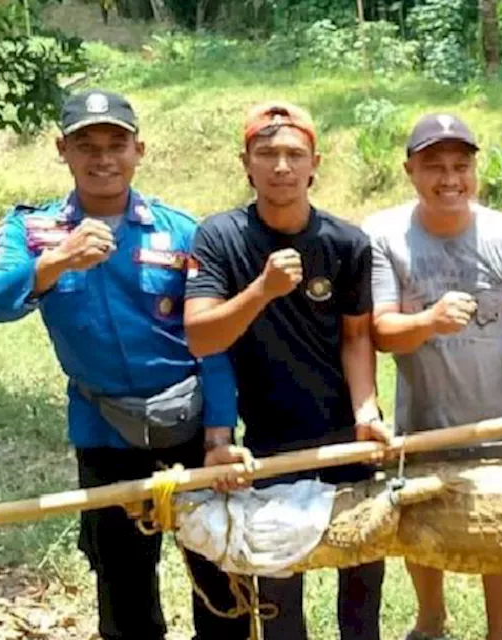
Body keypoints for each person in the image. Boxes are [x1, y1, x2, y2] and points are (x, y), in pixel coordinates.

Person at [0, 90, 248, 640]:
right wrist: (52, 264)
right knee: (123, 584)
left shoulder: (182, 232)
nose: (102, 158)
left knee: (221, 575)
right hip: (105, 431)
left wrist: (221, 433)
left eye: (116, 144)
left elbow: (215, 341)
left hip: (194, 429)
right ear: (62, 150)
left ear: (140, 150)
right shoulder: (31, 233)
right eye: (87, 145)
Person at [182, 101, 389, 640]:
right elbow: (203, 336)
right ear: (245, 163)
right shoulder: (219, 237)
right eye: (266, 153)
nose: (281, 166)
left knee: (362, 590)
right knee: (278, 596)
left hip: (348, 436)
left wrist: (367, 410)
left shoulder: (347, 243)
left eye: (294, 154)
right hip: (269, 444)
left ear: (314, 163)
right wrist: (262, 290)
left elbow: (357, 336)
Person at [364, 112, 502, 640]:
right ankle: (431, 618)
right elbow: (381, 332)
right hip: (425, 420)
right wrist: (428, 321)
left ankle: (498, 633)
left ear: (476, 170)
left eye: (461, 165)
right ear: (410, 171)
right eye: (434, 166)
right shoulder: (384, 235)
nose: (449, 178)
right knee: (420, 526)